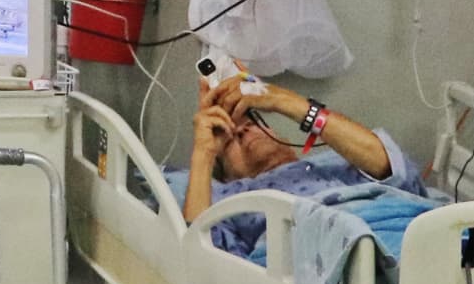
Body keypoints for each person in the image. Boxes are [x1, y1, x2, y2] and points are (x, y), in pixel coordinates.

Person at [182, 73, 426, 256]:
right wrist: (204, 152)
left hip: (403, 232)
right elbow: (200, 255)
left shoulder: (332, 162)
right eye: (228, 138)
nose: (243, 129)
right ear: (226, 176)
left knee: (461, 251)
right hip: (337, 254)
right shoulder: (230, 199)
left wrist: (281, 100)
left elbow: (397, 172)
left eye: (253, 121)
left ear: (287, 142)